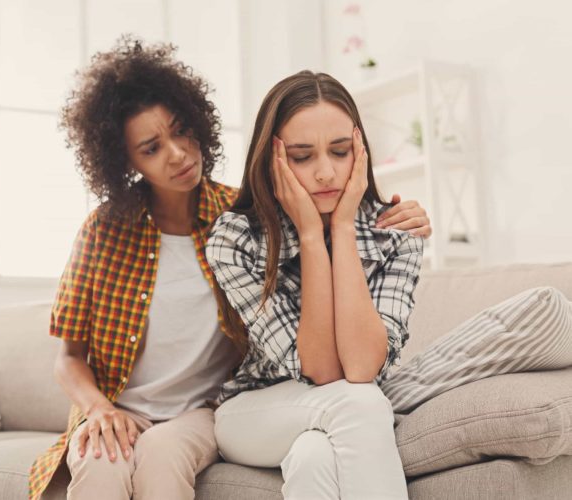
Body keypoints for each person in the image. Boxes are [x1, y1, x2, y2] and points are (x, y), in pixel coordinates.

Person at [29, 38, 432, 500]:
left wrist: (346, 226)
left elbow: (355, 367)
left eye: (182, 132)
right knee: (102, 464)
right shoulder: (142, 231)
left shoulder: (237, 213)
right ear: (125, 161)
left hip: (203, 411)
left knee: (296, 453)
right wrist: (98, 410)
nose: (178, 154)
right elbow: (69, 356)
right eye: (152, 147)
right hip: (158, 404)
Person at [206, 70, 423, 499]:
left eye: (340, 151)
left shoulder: (396, 237)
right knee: (358, 404)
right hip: (252, 412)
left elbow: (361, 368)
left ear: (360, 151)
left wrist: (342, 229)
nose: (326, 172)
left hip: (338, 411)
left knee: (315, 456)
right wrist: (309, 234)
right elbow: (323, 370)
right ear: (272, 161)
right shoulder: (235, 238)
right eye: (303, 157)